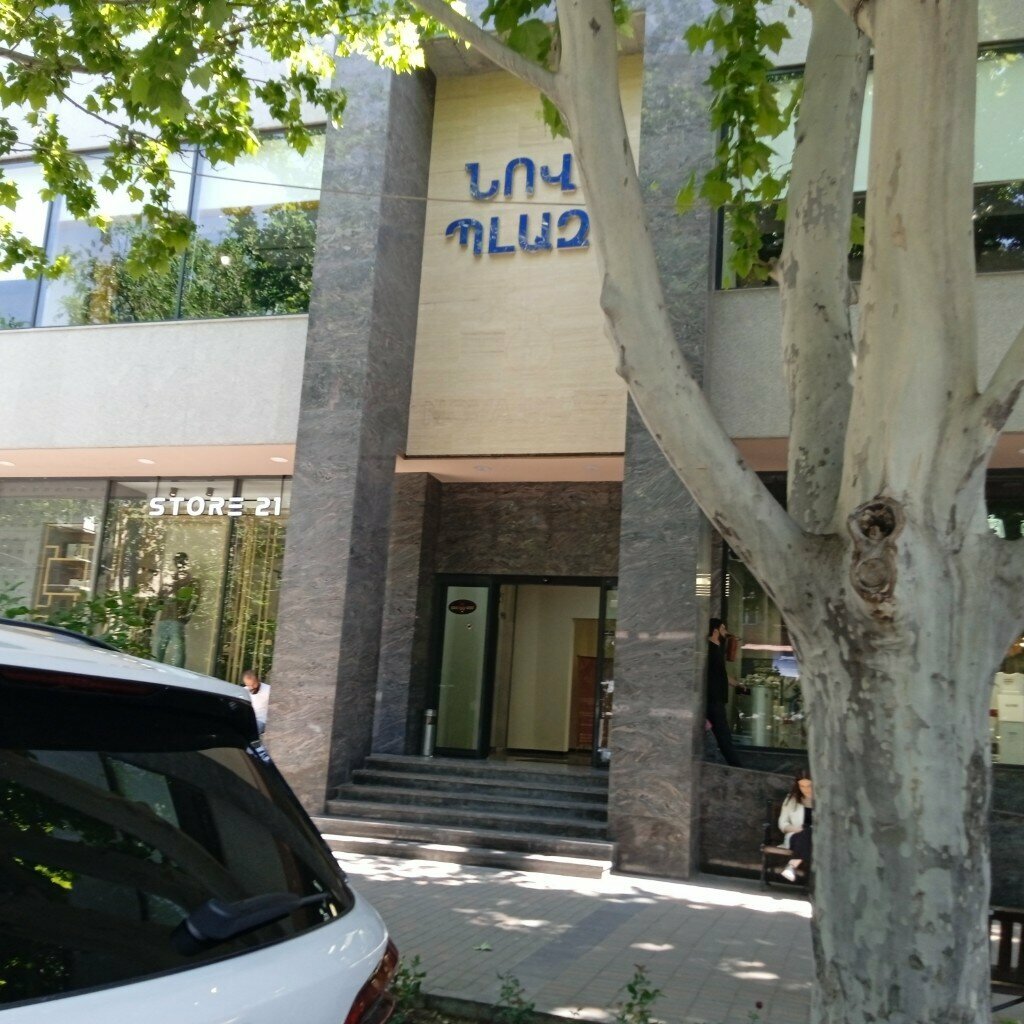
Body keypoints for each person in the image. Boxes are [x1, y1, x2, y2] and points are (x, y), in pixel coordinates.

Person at [150, 552, 200, 668]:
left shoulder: (192, 580)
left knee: (178, 651)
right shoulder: (170, 579)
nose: (178, 563)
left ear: (186, 562)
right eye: (177, 561)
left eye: (181, 560)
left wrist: (188, 615)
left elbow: (196, 599)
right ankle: (154, 673)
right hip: (164, 618)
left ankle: (178, 674)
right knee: (158, 651)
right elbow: (160, 599)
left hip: (177, 618)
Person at [706, 617, 743, 767]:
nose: (725, 632)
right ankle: (736, 766)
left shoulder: (716, 650)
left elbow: (722, 675)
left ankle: (734, 764)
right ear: (715, 631)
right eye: (723, 629)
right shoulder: (711, 650)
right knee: (723, 735)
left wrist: (739, 685)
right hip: (714, 700)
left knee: (723, 735)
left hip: (717, 700)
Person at [778, 768, 813, 881]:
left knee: (810, 832)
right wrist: (797, 829)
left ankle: (791, 866)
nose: (806, 789)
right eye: (802, 786)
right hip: (796, 835)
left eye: (809, 786)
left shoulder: (824, 801)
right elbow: (782, 823)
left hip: (817, 838)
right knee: (807, 833)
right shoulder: (792, 799)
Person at [243, 669, 271, 734]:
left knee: (251, 732)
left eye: (253, 684)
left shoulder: (268, 690)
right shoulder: (244, 690)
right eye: (248, 685)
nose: (251, 687)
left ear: (258, 680)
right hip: (247, 720)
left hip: (261, 720)